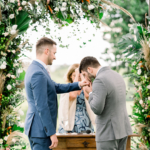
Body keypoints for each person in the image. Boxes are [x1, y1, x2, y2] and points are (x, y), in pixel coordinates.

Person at [24, 37, 89, 150]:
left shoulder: (36, 69)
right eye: (54, 53)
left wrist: (78, 84)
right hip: (41, 131)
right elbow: (42, 106)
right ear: (47, 51)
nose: (55, 57)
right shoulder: (38, 73)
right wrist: (51, 133)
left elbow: (56, 87)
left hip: (38, 129)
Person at [79, 56, 133, 150]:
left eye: (84, 74)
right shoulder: (117, 75)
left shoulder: (99, 80)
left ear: (89, 69)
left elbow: (97, 109)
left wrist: (90, 93)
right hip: (122, 129)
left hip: (108, 133)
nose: (85, 78)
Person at [58, 64, 95, 133]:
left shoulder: (86, 87)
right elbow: (73, 96)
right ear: (70, 76)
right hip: (70, 121)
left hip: (85, 121)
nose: (78, 78)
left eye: (79, 75)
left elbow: (88, 96)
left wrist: (83, 79)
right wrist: (77, 76)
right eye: (74, 75)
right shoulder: (66, 87)